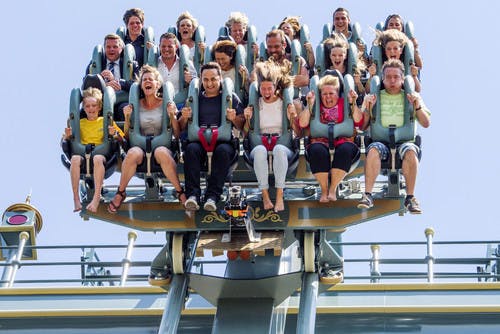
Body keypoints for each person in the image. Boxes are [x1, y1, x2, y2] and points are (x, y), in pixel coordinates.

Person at [108, 66, 186, 213]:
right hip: (140, 148)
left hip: (162, 147)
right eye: (144, 80)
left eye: (151, 79)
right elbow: (127, 135)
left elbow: (177, 132)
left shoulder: (166, 103)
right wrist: (126, 117)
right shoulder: (136, 105)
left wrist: (172, 116)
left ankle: (180, 191)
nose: (147, 82)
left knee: (162, 152)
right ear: (141, 85)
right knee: (132, 153)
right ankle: (121, 192)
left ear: (157, 84)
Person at [357, 59, 430, 214]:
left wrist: (416, 105)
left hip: (404, 142)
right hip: (381, 141)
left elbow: (426, 122)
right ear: (383, 79)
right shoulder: (373, 96)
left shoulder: (412, 96)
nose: (392, 80)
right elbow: (362, 127)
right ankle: (368, 194)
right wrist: (368, 109)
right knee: (373, 151)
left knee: (410, 152)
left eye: (396, 77)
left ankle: (410, 197)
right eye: (388, 77)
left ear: (402, 79)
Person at [179, 62, 245, 211]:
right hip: (199, 142)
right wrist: (184, 117)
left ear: (220, 78)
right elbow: (181, 127)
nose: (209, 84)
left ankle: (212, 196)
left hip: (223, 143)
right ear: (201, 80)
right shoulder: (194, 98)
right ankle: (193, 195)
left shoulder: (229, 98)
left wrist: (234, 118)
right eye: (206, 79)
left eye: (213, 79)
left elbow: (243, 125)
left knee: (222, 151)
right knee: (191, 150)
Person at [298, 73, 368, 202]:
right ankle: (324, 190)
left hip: (343, 140)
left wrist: (353, 103)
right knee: (317, 151)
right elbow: (302, 123)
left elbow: (358, 121)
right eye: (324, 94)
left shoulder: (344, 103)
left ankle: (332, 189)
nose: (328, 97)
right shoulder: (317, 105)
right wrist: (309, 105)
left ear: (337, 94)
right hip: (320, 140)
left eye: (331, 94)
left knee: (345, 150)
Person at [243, 60, 299, 212]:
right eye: (263, 89)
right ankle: (265, 195)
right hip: (260, 144)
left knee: (280, 149)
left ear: (275, 88)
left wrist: (292, 118)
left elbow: (298, 132)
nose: (266, 92)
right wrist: (247, 118)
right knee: (260, 151)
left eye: (269, 88)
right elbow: (245, 132)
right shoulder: (256, 103)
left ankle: (280, 195)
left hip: (281, 145)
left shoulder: (283, 103)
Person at [63, 87, 124, 213]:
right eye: (87, 106)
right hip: (82, 156)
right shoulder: (80, 123)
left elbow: (122, 137)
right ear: (84, 108)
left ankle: (96, 197)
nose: (91, 109)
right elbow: (65, 141)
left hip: (101, 156)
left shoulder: (105, 121)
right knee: (74, 159)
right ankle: (75, 198)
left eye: (93, 105)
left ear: (99, 107)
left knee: (97, 158)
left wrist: (114, 134)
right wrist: (68, 136)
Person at [85, 33, 140, 121]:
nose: (111, 49)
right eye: (108, 47)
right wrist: (101, 82)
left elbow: (137, 85)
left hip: (122, 100)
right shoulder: (95, 64)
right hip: (100, 102)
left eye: (115, 47)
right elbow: (85, 85)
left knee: (125, 110)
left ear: (121, 49)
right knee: (82, 113)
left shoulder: (131, 65)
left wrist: (117, 81)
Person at [156, 32, 197, 100]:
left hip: (180, 104)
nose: (166, 49)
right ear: (159, 46)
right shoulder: (154, 64)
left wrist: (190, 80)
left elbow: (196, 83)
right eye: (163, 46)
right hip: (159, 103)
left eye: (170, 46)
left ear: (176, 47)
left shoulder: (187, 64)